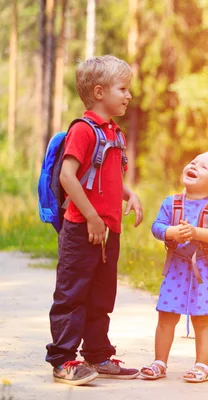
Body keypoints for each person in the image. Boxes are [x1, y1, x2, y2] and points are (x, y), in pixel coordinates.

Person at [45, 55, 144, 386]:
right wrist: (90, 217)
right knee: (73, 295)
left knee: (102, 296)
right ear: (99, 92)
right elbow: (68, 177)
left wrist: (130, 196)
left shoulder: (114, 133)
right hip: (81, 228)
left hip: (106, 231)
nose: (129, 95)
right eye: (123, 89)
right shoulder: (84, 131)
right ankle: (63, 361)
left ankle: (98, 354)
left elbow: (107, 179)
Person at [139, 147, 208, 383]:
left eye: (203, 166)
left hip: (204, 271)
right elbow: (157, 227)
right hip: (177, 270)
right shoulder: (171, 203)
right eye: (193, 162)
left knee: (202, 320)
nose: (194, 166)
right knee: (166, 317)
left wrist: (195, 232)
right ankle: (159, 362)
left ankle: (202, 365)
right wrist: (172, 232)